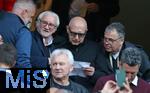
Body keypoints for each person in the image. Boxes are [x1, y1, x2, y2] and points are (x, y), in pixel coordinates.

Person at [51, 0, 120, 42]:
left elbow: (114, 8)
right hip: (63, 29)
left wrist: (99, 7)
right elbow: (55, 6)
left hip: (91, 32)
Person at [64, 16, 101, 92]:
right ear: (67, 29)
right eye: (73, 33)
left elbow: (105, 75)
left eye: (81, 34)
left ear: (86, 32)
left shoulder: (95, 48)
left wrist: (93, 73)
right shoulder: (58, 45)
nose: (76, 38)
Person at [0, 0, 36, 68]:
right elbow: (22, 63)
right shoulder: (22, 31)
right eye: (31, 17)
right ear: (24, 12)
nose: (30, 20)